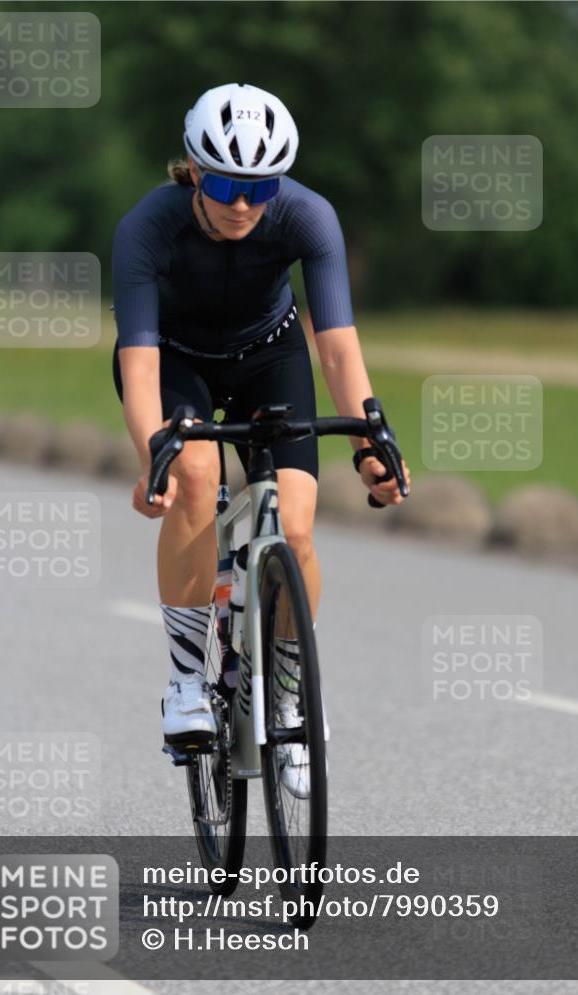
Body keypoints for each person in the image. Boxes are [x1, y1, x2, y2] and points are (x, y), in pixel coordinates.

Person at [111, 83, 409, 793]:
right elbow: (141, 360)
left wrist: (368, 440)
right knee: (192, 481)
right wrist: (153, 451)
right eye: (222, 184)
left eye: (259, 187)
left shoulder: (308, 217)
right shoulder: (146, 228)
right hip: (176, 360)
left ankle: (285, 698)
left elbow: (335, 347)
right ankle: (187, 683)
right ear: (192, 169)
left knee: (297, 526)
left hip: (269, 358)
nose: (241, 204)